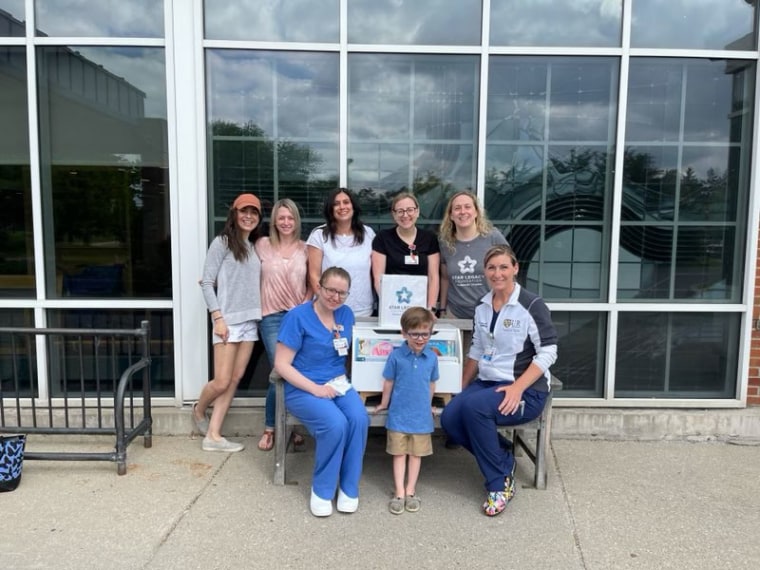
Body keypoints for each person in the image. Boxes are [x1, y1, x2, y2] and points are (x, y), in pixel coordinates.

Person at [440, 244, 558, 516]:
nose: (497, 273)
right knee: (450, 418)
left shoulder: (531, 305)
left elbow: (549, 350)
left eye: (504, 267)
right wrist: (460, 389)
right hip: (487, 383)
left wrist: (518, 387)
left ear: (515, 269)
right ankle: (502, 453)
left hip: (526, 390)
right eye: (492, 268)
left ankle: (499, 483)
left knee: (474, 409)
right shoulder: (482, 306)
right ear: (485, 271)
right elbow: (477, 350)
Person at [274, 266, 370, 517]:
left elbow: (349, 354)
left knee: (359, 419)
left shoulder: (346, 315)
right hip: (303, 387)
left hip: (338, 383)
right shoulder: (297, 317)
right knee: (335, 424)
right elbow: (281, 365)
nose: (335, 297)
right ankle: (323, 490)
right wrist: (315, 389)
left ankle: (349, 488)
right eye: (331, 290)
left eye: (342, 293)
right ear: (319, 287)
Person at [195, 193, 263, 452]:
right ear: (234, 214)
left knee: (235, 379)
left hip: (250, 322)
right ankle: (199, 410)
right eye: (244, 211)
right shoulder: (222, 242)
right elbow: (207, 282)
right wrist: (218, 318)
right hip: (227, 321)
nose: (249, 216)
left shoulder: (253, 246)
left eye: (254, 212)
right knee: (221, 380)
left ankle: (213, 435)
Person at [255, 198, 311, 452]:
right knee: (280, 372)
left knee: (297, 372)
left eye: (290, 218)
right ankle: (271, 427)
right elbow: (243, 272)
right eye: (282, 217)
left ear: (296, 221)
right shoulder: (262, 245)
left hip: (299, 317)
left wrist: (305, 307)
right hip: (272, 317)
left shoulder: (306, 249)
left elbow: (312, 284)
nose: (286, 222)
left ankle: (292, 426)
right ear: (275, 221)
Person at [374, 307, 439, 515]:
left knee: (416, 455)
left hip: (421, 417)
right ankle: (399, 493)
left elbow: (431, 384)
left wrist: (428, 405)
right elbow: (389, 382)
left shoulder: (432, 358)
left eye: (425, 334)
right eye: (414, 334)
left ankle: (411, 490)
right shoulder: (396, 356)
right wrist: (384, 403)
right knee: (399, 453)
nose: (420, 339)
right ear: (404, 333)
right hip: (399, 416)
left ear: (430, 333)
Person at [438, 190, 508, 320]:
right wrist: (442, 310)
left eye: (468, 207)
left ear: (476, 212)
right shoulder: (445, 243)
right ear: (451, 215)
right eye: (457, 208)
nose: (463, 212)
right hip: (455, 315)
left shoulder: (493, 237)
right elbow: (445, 279)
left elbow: (509, 274)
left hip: (491, 314)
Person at [307, 188, 375, 317]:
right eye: (336, 204)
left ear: (353, 206)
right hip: (329, 310)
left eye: (346, 202)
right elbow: (314, 276)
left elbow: (376, 274)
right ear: (330, 209)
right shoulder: (319, 235)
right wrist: (327, 304)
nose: (342, 207)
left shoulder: (368, 234)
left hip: (363, 311)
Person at [372, 192, 440, 313]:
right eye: (400, 211)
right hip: (393, 307)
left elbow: (433, 277)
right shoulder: (383, 238)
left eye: (410, 210)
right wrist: (390, 304)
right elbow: (378, 278)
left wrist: (431, 309)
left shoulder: (429, 238)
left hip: (421, 308)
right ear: (394, 214)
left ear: (417, 212)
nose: (405, 215)